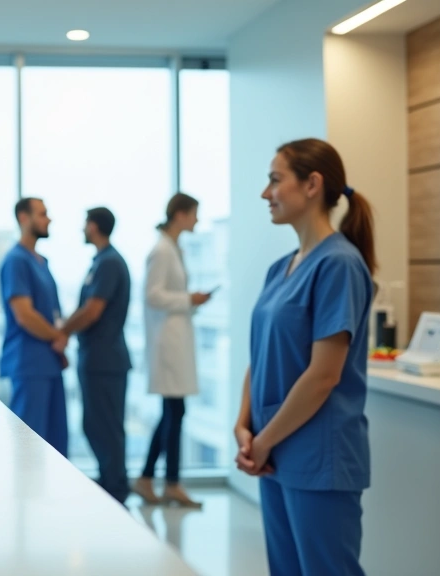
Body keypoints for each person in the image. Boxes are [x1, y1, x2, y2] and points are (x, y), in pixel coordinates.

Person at [234, 138, 375, 576]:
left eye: (275, 180)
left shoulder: (339, 264)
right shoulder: (281, 268)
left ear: (312, 184)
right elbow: (260, 356)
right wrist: (244, 424)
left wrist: (263, 440)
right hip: (275, 452)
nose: (265, 193)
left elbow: (323, 376)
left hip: (318, 457)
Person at [134, 193, 212, 507]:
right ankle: (166, 482)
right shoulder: (161, 251)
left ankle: (155, 479)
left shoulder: (173, 248)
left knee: (174, 412)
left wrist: (190, 302)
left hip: (176, 338)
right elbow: (152, 295)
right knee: (174, 412)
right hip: (167, 342)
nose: (197, 220)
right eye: (195, 213)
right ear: (180, 214)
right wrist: (187, 300)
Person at [61, 207, 132, 503]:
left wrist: (62, 331)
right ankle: (110, 483)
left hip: (106, 361)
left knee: (106, 428)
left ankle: (115, 490)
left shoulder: (109, 263)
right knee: (97, 425)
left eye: (84, 223)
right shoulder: (101, 262)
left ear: (93, 226)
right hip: (97, 358)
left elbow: (92, 311)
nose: (82, 229)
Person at [0, 198, 68, 455]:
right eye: (42, 214)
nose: (48, 219)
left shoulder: (41, 262)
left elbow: (52, 314)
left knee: (55, 445)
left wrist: (58, 340)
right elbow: (25, 315)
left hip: (49, 362)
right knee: (29, 448)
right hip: (29, 364)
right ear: (23, 218)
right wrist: (57, 336)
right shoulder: (16, 260)